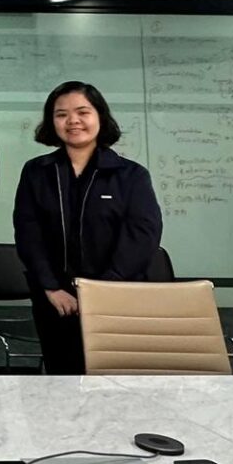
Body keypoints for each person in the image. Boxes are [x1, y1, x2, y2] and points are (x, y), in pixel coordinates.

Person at [13, 81, 163, 375]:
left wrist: (101, 290)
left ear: (100, 117)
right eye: (61, 114)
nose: (73, 121)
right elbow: (28, 232)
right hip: (56, 301)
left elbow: (143, 235)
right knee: (62, 380)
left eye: (83, 112)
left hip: (116, 297)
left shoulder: (130, 175)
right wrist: (51, 287)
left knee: (114, 383)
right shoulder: (37, 172)